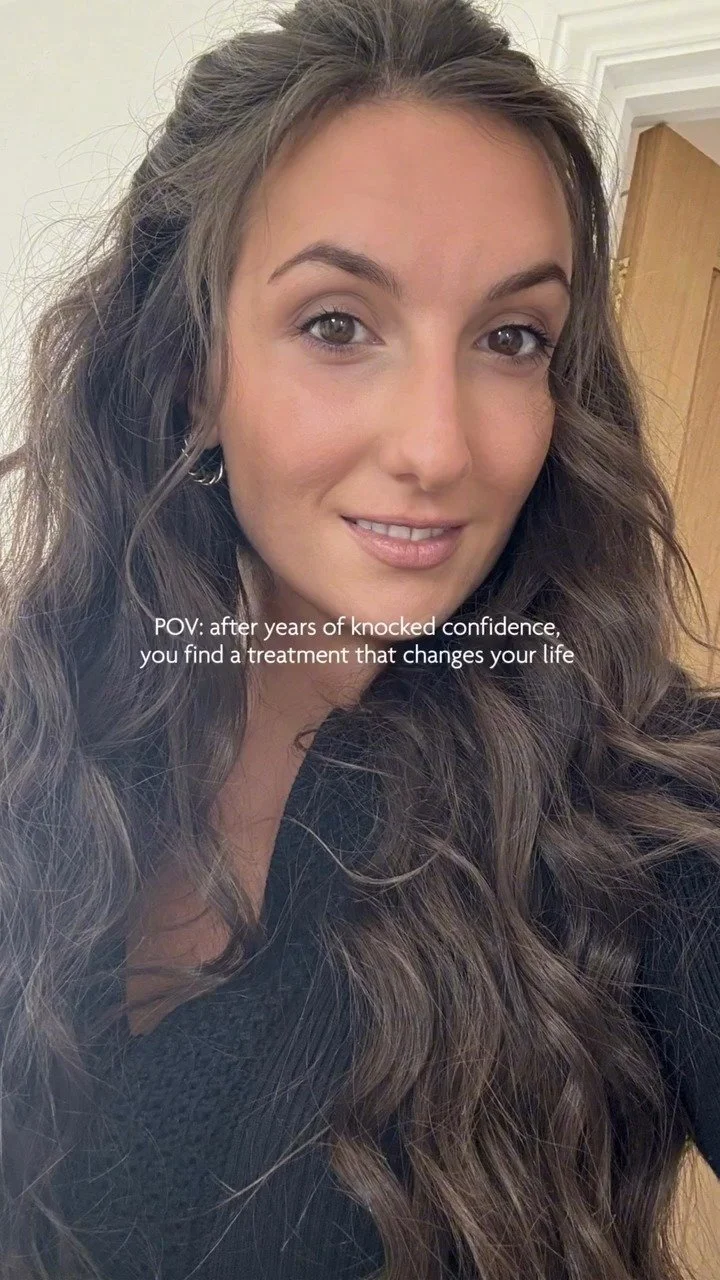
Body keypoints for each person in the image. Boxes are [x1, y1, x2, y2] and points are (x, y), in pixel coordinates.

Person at [0, 0, 719, 1276]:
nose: (440, 446)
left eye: (511, 338)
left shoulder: (649, 808)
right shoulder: (38, 721)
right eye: (337, 323)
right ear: (191, 371)